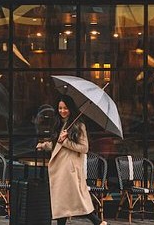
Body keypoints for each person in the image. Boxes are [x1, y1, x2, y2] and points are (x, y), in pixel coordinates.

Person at [37, 94, 105, 225]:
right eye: (60, 108)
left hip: (69, 169)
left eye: (65, 108)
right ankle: (98, 222)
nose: (62, 111)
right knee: (62, 203)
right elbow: (56, 144)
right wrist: (43, 145)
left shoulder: (78, 125)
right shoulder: (60, 124)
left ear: (71, 109)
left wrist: (66, 141)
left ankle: (98, 222)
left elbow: (84, 148)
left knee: (75, 201)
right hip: (61, 169)